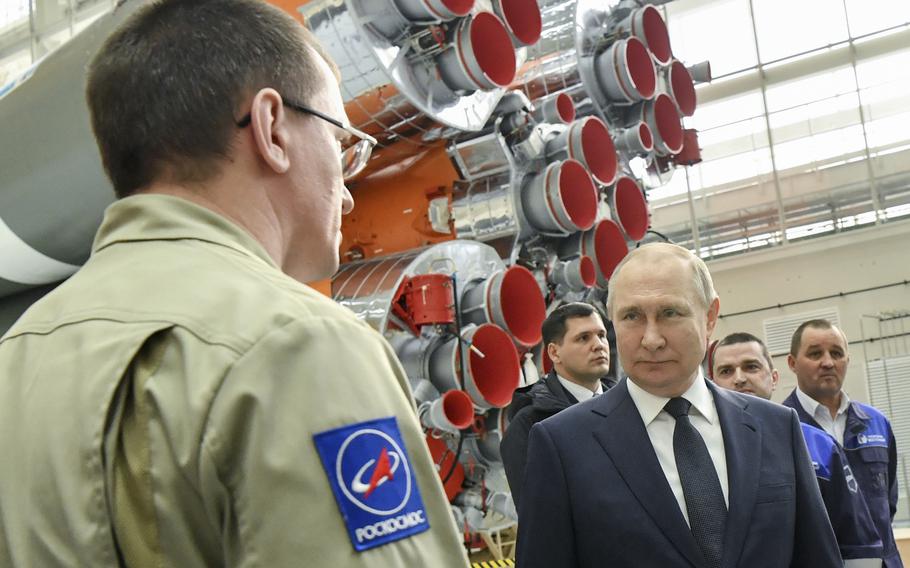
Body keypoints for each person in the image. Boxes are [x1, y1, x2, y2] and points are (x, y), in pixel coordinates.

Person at [0, 1, 468, 566]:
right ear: (271, 128)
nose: (346, 193)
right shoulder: (298, 346)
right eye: (342, 144)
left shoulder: (20, 353)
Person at [515, 242, 841, 568]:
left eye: (670, 313)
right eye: (632, 316)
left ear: (710, 317)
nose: (652, 339)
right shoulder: (562, 445)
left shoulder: (777, 427)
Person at [712, 332, 884, 566]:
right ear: (711, 384)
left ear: (773, 378)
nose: (739, 378)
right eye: (726, 371)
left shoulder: (819, 445)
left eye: (751, 367)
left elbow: (858, 544)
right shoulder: (698, 450)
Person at [783, 319, 903, 568]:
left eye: (836, 353)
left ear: (847, 360)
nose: (827, 362)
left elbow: (887, 502)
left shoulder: (876, 422)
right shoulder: (780, 428)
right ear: (792, 363)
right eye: (815, 353)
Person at [500, 302, 614, 510]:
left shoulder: (627, 406)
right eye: (583, 338)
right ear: (554, 353)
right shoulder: (530, 425)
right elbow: (539, 516)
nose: (598, 345)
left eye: (602, 335)